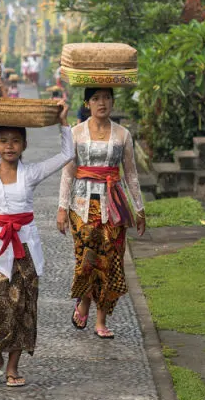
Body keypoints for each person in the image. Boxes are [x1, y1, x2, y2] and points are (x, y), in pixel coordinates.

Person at [0, 102, 74, 387]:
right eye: (3, 141)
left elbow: (67, 154)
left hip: (27, 251)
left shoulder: (31, 173)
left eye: (15, 141)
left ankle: (13, 365)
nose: (9, 146)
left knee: (24, 309)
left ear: (24, 144)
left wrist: (63, 122)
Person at [57, 88, 146, 339]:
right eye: (95, 98)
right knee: (87, 259)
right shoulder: (76, 133)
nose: (101, 103)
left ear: (113, 101)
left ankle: (101, 320)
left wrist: (139, 209)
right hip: (81, 207)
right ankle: (85, 300)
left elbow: (130, 174)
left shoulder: (123, 135)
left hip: (113, 207)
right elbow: (68, 172)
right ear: (87, 103)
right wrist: (62, 208)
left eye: (106, 97)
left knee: (110, 262)